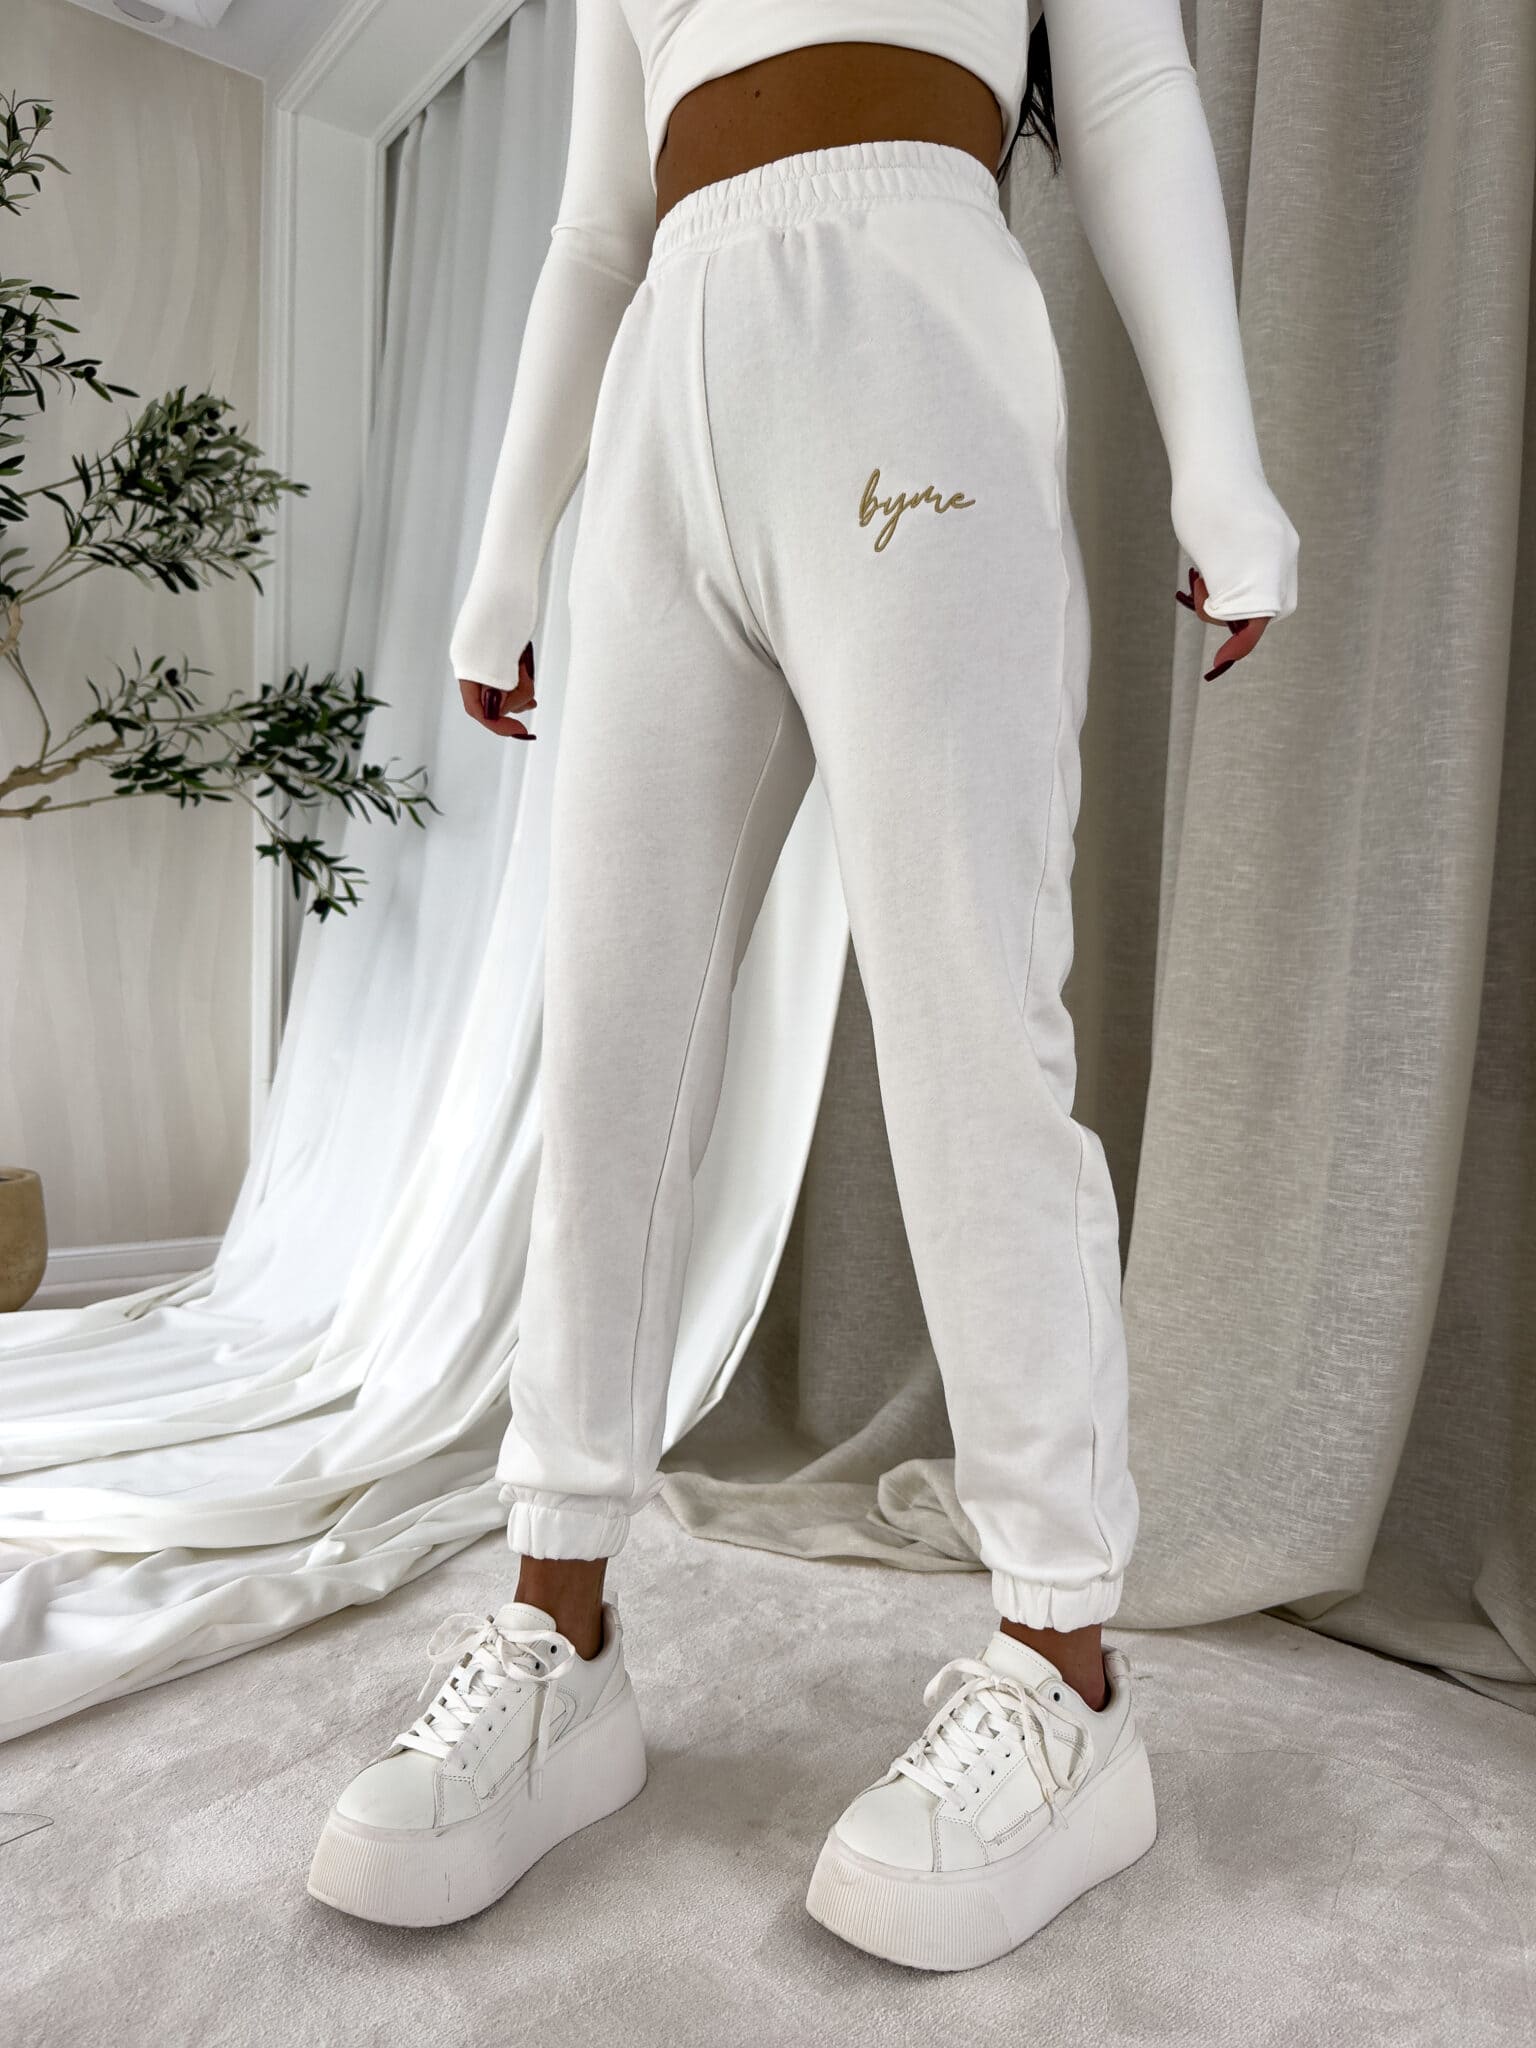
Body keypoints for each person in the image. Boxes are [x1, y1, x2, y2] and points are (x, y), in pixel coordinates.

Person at [307, 0, 1299, 1969]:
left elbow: (1123, 86)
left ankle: (1064, 1671)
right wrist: (507, 551)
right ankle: (561, 1633)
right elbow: (595, 227)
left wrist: (1223, 459)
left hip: (910, 341)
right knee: (606, 1055)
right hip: (666, 396)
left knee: (969, 1031)